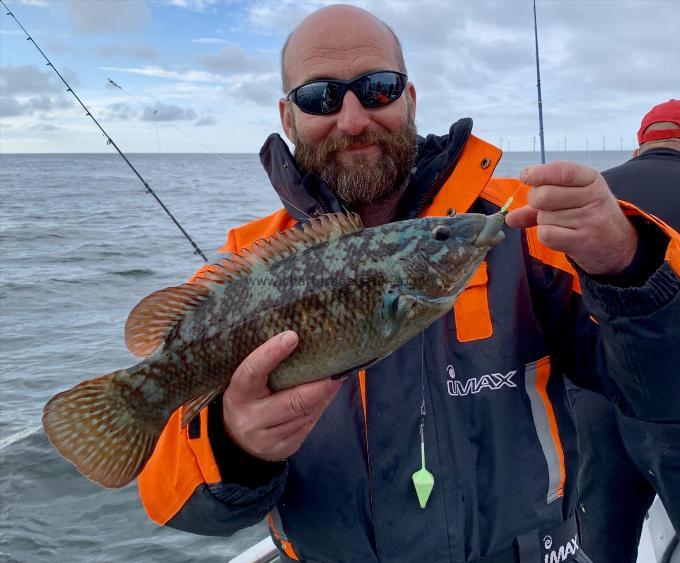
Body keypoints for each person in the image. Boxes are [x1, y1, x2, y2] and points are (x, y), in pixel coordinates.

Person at [136, 6, 680, 562]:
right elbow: (169, 499)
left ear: (410, 99)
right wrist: (237, 445)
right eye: (319, 97)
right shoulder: (237, 267)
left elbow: (662, 389)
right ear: (287, 115)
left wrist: (631, 268)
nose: (351, 119)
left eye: (377, 88)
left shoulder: (526, 229)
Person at [571, 99, 680, 563]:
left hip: (592, 395)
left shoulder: (597, 190)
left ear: (641, 143)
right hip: (671, 401)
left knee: (600, 541)